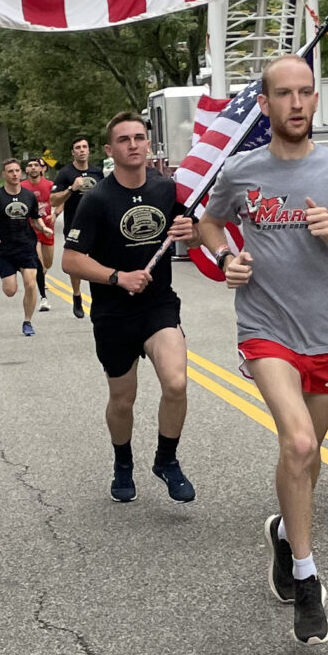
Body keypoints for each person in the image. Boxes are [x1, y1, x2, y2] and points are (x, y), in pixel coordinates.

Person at [199, 55, 328, 644]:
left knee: (305, 459)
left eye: (306, 92)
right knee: (301, 443)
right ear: (265, 104)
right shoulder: (241, 170)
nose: (298, 102)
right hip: (265, 329)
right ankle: (308, 581)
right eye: (285, 93)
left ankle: (285, 534)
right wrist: (227, 259)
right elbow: (210, 223)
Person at [64, 112, 198, 503]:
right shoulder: (96, 199)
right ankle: (123, 462)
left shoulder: (166, 189)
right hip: (113, 313)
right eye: (124, 140)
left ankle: (166, 460)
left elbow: (193, 232)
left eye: (139, 137)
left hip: (158, 306)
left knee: (176, 383)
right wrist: (117, 277)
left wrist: (190, 232)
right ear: (110, 150)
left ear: (148, 144)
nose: (133, 145)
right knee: (123, 399)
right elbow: (71, 260)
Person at [0, 160, 50, 333]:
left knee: (30, 284)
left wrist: (43, 228)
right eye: (10, 171)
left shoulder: (29, 196)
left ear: (21, 172)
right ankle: (10, 279)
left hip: (26, 245)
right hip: (4, 248)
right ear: (4, 174)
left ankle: (27, 322)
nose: (14, 174)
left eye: (16, 170)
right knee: (10, 290)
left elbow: (35, 217)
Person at [50, 139, 101, 320]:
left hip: (97, 225)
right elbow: (53, 200)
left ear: (89, 150)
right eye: (78, 148)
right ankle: (77, 295)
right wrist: (71, 189)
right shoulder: (65, 173)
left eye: (84, 147)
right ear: (73, 152)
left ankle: (98, 299)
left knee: (98, 263)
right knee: (76, 265)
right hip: (75, 226)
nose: (82, 150)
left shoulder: (97, 172)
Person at [26, 161, 57, 288]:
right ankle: (39, 283)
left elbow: (61, 200)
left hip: (47, 228)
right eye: (30, 166)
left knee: (48, 263)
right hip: (31, 229)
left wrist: (55, 214)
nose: (33, 168)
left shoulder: (50, 185)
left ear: (41, 169)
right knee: (38, 260)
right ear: (26, 170)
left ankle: (40, 278)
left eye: (36, 165)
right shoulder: (21, 186)